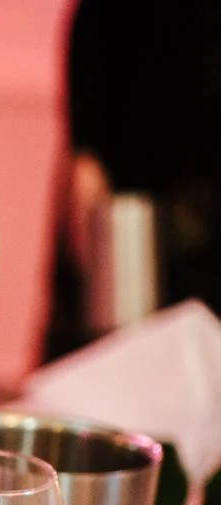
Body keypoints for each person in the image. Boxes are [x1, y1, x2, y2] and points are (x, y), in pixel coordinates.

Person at [45, 0, 221, 358]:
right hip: (133, 193)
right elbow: (93, 44)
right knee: (122, 344)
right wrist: (86, 158)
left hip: (201, 193)